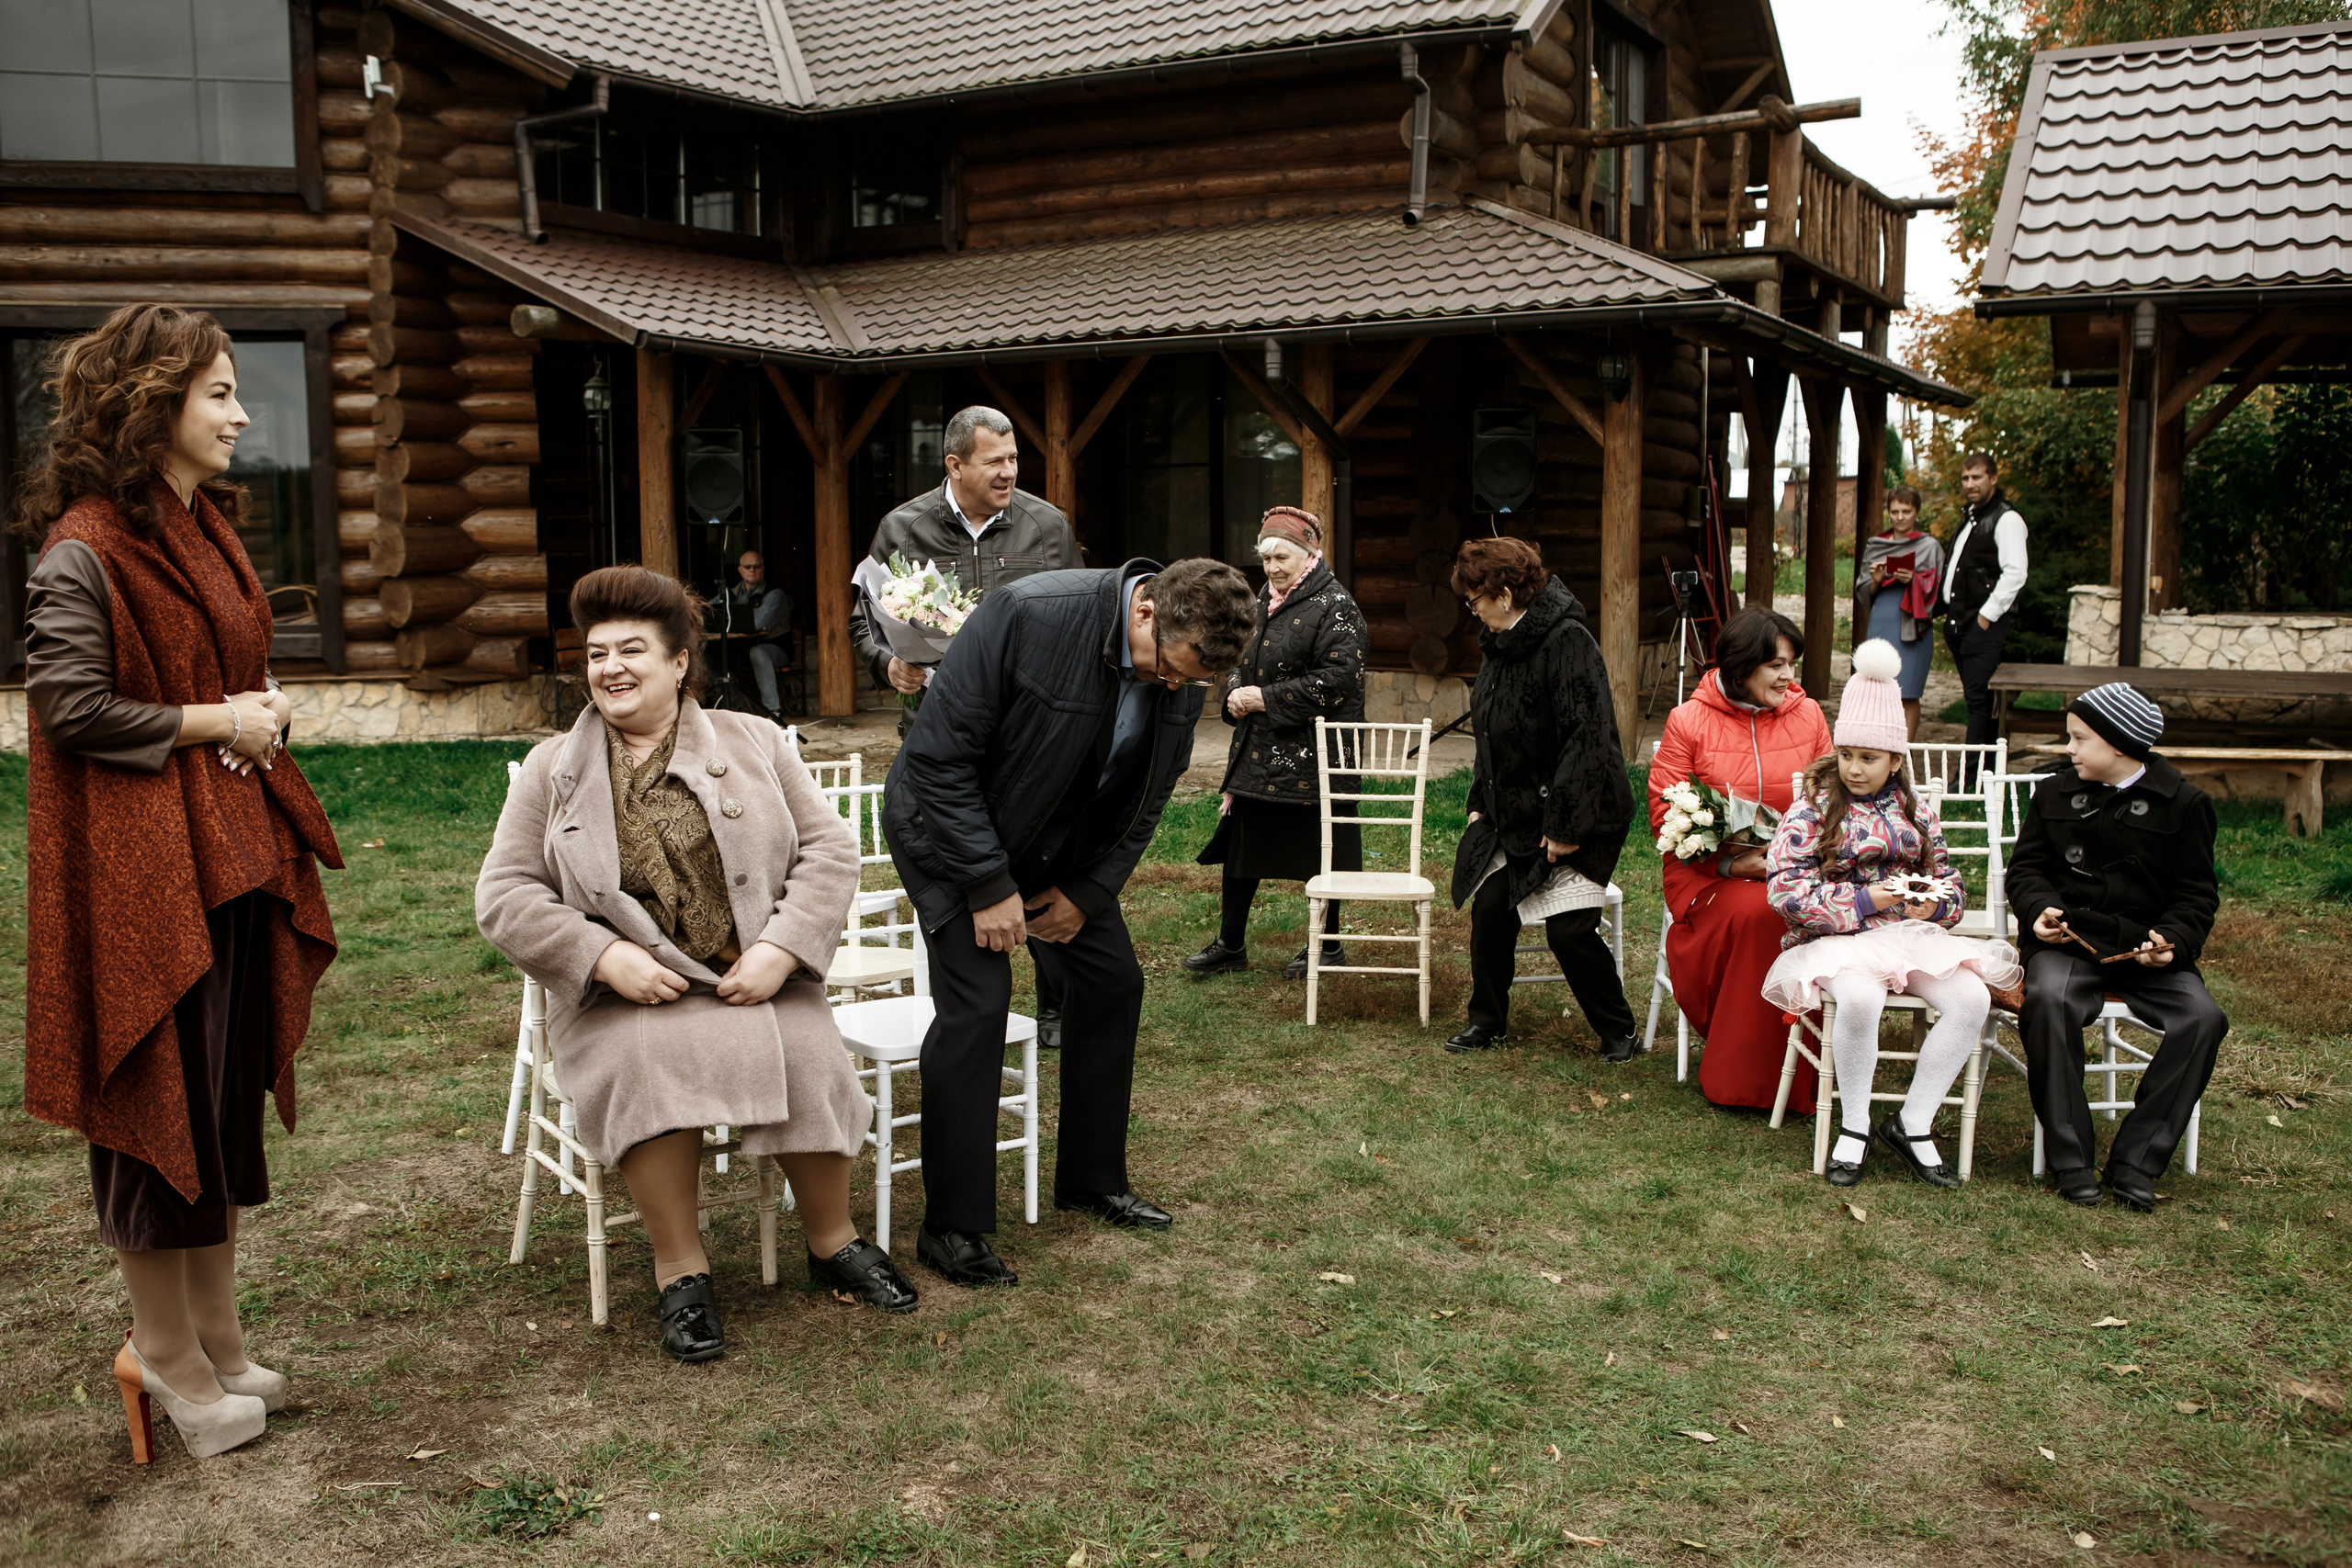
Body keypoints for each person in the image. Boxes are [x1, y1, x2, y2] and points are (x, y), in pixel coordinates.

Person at [17, 305, 340, 1461]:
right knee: (159, 1106)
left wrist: (260, 713)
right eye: (218, 392)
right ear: (150, 400)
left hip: (228, 849)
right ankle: (161, 1355)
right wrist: (225, 720)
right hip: (145, 875)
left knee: (217, 1105)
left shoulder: (202, 525)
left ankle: (217, 1339)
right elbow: (66, 706)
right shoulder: (86, 544)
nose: (242, 412)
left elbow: (230, 670)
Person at [478, 566, 914, 1361]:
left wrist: (781, 950)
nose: (610, 667)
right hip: (627, 997)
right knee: (649, 1063)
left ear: (680, 661)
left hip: (751, 974)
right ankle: (681, 1270)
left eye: (632, 649)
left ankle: (834, 1242)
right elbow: (504, 893)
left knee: (808, 1048)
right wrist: (602, 954)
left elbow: (828, 848)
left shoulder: (755, 740)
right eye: (596, 652)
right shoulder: (553, 769)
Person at [882, 557, 1258, 1286]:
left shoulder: (1182, 666)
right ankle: (951, 1225)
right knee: (979, 1006)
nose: (1178, 687)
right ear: (1146, 612)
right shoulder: (1028, 613)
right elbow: (937, 759)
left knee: (1112, 981)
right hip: (950, 835)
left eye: (1192, 680)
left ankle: (1090, 1178)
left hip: (1061, 846)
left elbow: (1151, 794)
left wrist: (1088, 890)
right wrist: (988, 884)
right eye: (1171, 671)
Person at [848, 404, 1082, 1047]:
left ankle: (1056, 1001)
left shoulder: (1048, 526)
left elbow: (1074, 615)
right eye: (994, 462)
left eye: (1014, 460)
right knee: (953, 863)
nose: (1008, 472)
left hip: (1027, 735)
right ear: (955, 464)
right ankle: (964, 999)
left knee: (1037, 860)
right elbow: (865, 620)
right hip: (937, 734)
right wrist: (886, 661)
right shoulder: (901, 527)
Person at [1761, 640, 2022, 1187]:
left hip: (1909, 935)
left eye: (1869, 758)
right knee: (1860, 997)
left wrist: (1937, 904)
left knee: (1971, 997)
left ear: (1896, 760)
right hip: (1838, 937)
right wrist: (1863, 900)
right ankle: (1854, 1125)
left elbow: (1948, 878)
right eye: (1847, 754)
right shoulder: (1812, 807)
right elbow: (1785, 889)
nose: (1855, 769)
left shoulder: (1915, 811)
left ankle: (1913, 1120)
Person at [2005, 682, 2226, 1212]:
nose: (2070, 749)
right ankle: (2071, 1160)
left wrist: (2173, 942)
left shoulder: (2186, 804)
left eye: (2080, 739)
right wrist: (2039, 913)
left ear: (2120, 744)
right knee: (2050, 1002)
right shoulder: (2055, 793)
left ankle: (2137, 1159)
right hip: (2070, 940)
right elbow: (2027, 870)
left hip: (2144, 951)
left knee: (2203, 1019)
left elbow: (2196, 893)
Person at [1444, 538, 1639, 1059]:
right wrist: (1479, 801)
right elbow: (1490, 734)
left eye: (1474, 600)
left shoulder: (1568, 641)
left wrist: (1566, 827)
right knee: (1490, 906)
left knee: (1569, 929)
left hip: (1584, 814)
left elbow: (1588, 739)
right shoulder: (1499, 643)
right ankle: (1487, 1022)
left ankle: (1618, 1030)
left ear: (1504, 593)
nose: (1472, 611)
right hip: (1515, 812)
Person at [1648, 607, 1834, 1113]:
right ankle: (1747, 1082)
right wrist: (1731, 866)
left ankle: (1816, 1072)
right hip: (1709, 874)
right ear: (1741, 666)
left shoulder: (1809, 714)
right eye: (1775, 665)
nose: (1788, 676)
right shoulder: (1688, 719)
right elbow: (1665, 808)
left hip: (1796, 870)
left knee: (1808, 911)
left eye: (1791, 663)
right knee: (1761, 914)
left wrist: (1796, 858)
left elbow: (1833, 799)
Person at [1184, 506, 1367, 980]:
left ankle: (1326, 945)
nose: (1272, 568)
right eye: (1265, 559)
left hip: (1318, 754)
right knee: (1243, 848)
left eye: (1282, 557)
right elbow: (1242, 660)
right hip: (1260, 749)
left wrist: (1264, 698)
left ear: (1310, 553)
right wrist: (1236, 697)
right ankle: (1230, 944)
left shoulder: (1336, 605)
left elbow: (1340, 679)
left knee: (1320, 852)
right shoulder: (1264, 598)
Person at [1942, 453, 2028, 754]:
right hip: (1959, 623)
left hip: (1982, 624)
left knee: (1981, 702)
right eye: (1965, 478)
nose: (1970, 484)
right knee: (1977, 701)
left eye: (1976, 477)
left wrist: (1985, 617)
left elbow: (2016, 573)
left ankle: (1971, 776)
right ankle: (1983, 770)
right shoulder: (1970, 518)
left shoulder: (2006, 519)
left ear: (1993, 478)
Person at [1852, 486, 1944, 739]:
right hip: (1882, 619)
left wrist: (1913, 580)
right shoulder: (1875, 545)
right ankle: (1878, 747)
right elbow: (1862, 590)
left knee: (1908, 691)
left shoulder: (1930, 546)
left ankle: (1903, 752)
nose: (1900, 517)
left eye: (1906, 511)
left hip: (1913, 625)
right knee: (1877, 689)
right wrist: (1877, 579)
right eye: (1894, 511)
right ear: (1888, 513)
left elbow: (1938, 591)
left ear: (1917, 513)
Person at [717, 548, 793, 720]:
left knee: (757, 653)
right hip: (742, 647)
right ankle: (733, 705)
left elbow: (759, 624)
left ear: (763, 569)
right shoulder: (731, 593)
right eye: (748, 566)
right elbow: (708, 611)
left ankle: (773, 711)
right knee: (713, 653)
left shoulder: (774, 594)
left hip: (776, 648)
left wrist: (729, 621)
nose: (752, 570)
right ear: (740, 570)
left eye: (756, 566)